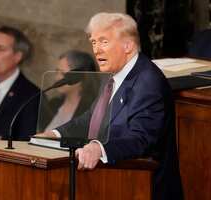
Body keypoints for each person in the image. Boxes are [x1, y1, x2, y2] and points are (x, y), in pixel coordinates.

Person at [37, 12, 183, 199]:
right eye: (94, 42)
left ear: (128, 46)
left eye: (104, 42)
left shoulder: (148, 82)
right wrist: (54, 134)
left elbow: (141, 138)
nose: (96, 50)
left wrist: (99, 148)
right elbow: (91, 118)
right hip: (110, 185)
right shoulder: (113, 76)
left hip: (144, 189)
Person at [38, 50, 99, 131]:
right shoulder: (53, 104)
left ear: (80, 76)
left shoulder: (92, 110)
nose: (57, 78)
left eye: (63, 73)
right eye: (56, 72)